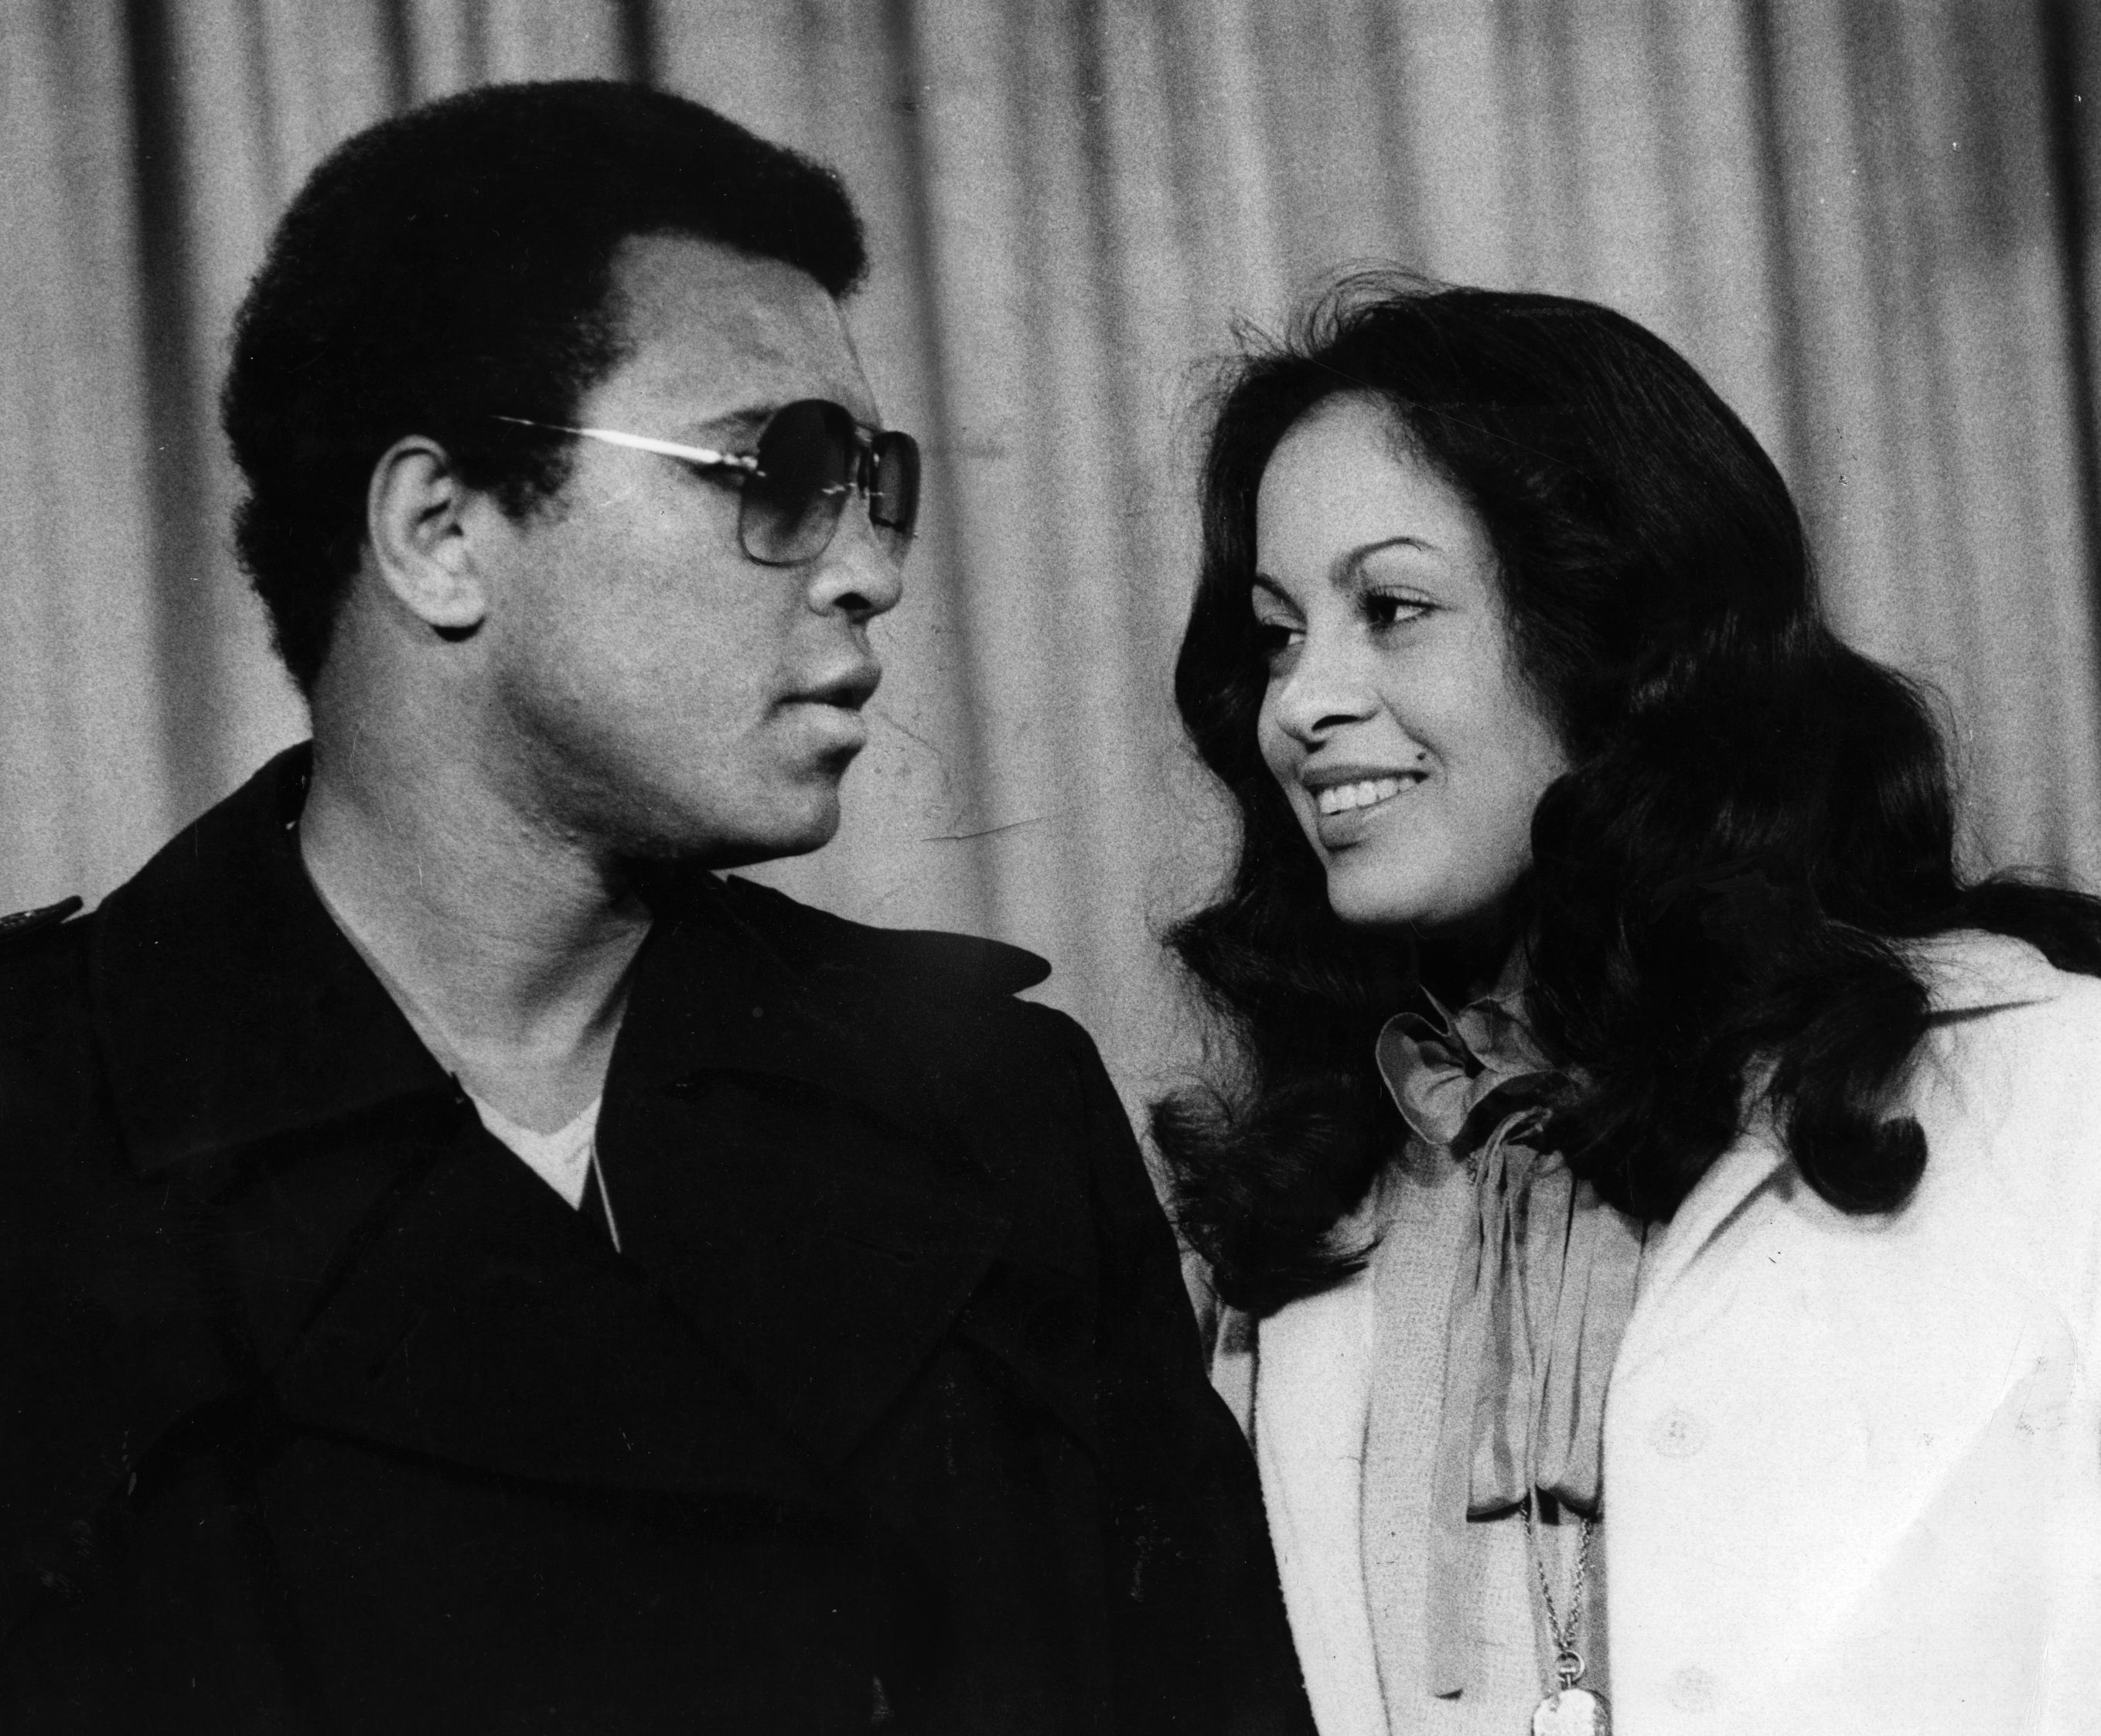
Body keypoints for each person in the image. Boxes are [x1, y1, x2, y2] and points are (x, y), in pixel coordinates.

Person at [0, 80, 1312, 1736]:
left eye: (874, 481)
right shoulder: (42, 1138)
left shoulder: (994, 1119)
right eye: (778, 468)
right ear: (440, 533)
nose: (870, 568)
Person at [1154, 274, 2101, 1735]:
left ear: (1612, 630)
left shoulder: (2046, 1089)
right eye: (1278, 634)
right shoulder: (1307, 1227)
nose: (1297, 703)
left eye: (1391, 609)